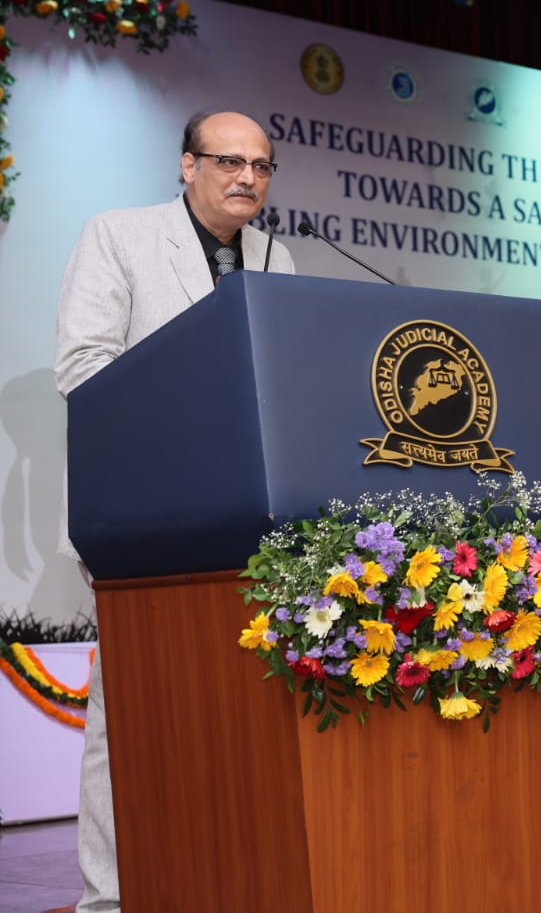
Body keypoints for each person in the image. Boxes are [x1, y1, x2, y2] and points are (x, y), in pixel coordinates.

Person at [56, 111, 293, 912]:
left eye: (261, 164)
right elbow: (83, 367)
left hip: (251, 521)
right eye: (229, 160)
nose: (247, 176)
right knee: (128, 715)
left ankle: (222, 883)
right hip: (145, 513)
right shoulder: (119, 235)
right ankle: (110, 898)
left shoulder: (276, 257)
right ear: (187, 165)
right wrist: (200, 401)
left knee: (238, 713)